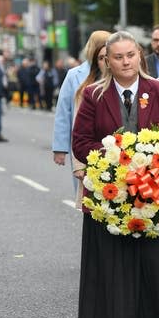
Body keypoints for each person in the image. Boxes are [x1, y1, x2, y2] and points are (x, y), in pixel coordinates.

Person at [72, 30, 159, 318]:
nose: (125, 62)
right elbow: (80, 142)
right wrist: (114, 158)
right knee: (123, 268)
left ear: (139, 56)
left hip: (156, 196)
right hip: (113, 198)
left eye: (130, 55)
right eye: (117, 57)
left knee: (157, 265)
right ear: (107, 61)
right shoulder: (94, 95)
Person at [52, 30, 111, 191]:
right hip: (84, 140)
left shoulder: (116, 72)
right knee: (86, 190)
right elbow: (64, 112)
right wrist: (60, 148)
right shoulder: (74, 75)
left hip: (111, 139)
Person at [69, 39, 109, 208]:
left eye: (108, 56)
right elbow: (77, 130)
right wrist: (78, 165)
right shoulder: (88, 90)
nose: (105, 62)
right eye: (100, 58)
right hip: (96, 162)